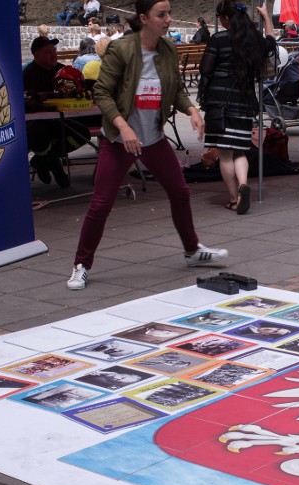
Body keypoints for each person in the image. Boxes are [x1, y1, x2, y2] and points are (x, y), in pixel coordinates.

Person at [67, 0, 228, 290]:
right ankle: (81, 264)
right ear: (144, 18)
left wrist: (191, 110)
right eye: (161, 15)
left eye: (169, 13)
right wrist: (123, 126)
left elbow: (176, 89)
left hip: (152, 138)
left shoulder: (167, 49)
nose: (168, 19)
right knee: (101, 203)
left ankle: (192, 250)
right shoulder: (122, 49)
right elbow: (102, 93)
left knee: (180, 192)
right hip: (119, 140)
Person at [198, 1, 276, 214]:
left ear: (225, 19)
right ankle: (243, 185)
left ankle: (234, 198)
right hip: (244, 100)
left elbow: (205, 69)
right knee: (240, 151)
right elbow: (271, 42)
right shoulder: (253, 41)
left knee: (225, 155)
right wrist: (266, 17)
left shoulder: (218, 39)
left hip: (219, 103)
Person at [24, 36, 89, 188]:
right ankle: (55, 166)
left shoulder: (62, 70)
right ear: (36, 55)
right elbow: (27, 101)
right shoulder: (28, 74)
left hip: (61, 120)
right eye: (48, 52)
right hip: (37, 123)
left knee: (82, 134)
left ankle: (42, 161)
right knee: (38, 134)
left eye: (54, 51)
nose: (54, 55)